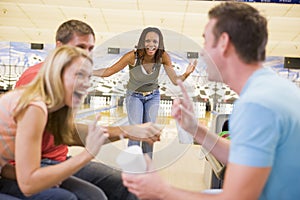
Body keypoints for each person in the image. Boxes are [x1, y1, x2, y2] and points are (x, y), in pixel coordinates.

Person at [121, 2, 300, 199]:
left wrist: (161, 191)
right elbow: (241, 155)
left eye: (206, 41)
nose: (203, 52)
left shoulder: (256, 104)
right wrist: (195, 129)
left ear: (224, 43)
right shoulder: (270, 89)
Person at [1, 19, 161, 200]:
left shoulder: (65, 89)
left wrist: (127, 131)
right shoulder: (37, 85)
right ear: (59, 47)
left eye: (90, 49)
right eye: (80, 47)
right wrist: (90, 152)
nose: (85, 54)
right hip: (28, 165)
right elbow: (30, 171)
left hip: (55, 160)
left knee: (124, 186)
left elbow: (66, 133)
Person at [0, 46, 110, 199]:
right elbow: (28, 184)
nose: (85, 84)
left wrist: (46, 178)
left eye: (88, 77)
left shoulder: (50, 109)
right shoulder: (34, 108)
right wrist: (86, 154)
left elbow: (5, 168)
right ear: (57, 76)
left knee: (92, 196)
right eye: (78, 75)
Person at [93, 27, 197, 157]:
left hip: (153, 96)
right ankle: (133, 166)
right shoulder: (133, 56)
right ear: (142, 42)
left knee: (149, 133)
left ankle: (147, 165)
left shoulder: (163, 56)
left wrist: (186, 74)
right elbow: (109, 71)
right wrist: (89, 72)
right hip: (134, 96)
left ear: (159, 43)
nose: (151, 45)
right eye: (147, 41)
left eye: (155, 41)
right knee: (135, 132)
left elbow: (175, 80)